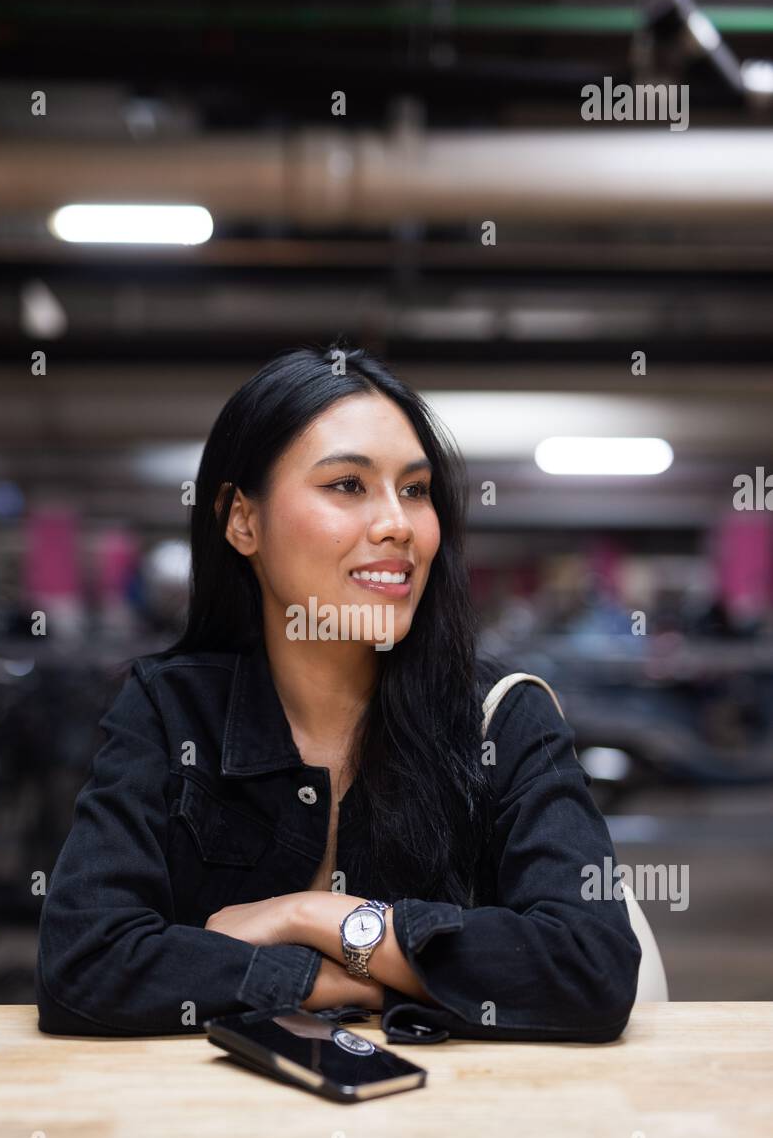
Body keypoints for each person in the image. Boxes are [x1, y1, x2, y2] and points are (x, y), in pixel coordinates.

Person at [35, 342, 641, 1044]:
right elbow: (83, 962)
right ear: (242, 521)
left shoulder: (501, 717)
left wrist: (310, 918)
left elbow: (590, 966)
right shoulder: (169, 713)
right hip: (202, 1132)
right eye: (347, 485)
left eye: (414, 490)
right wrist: (338, 982)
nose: (397, 525)